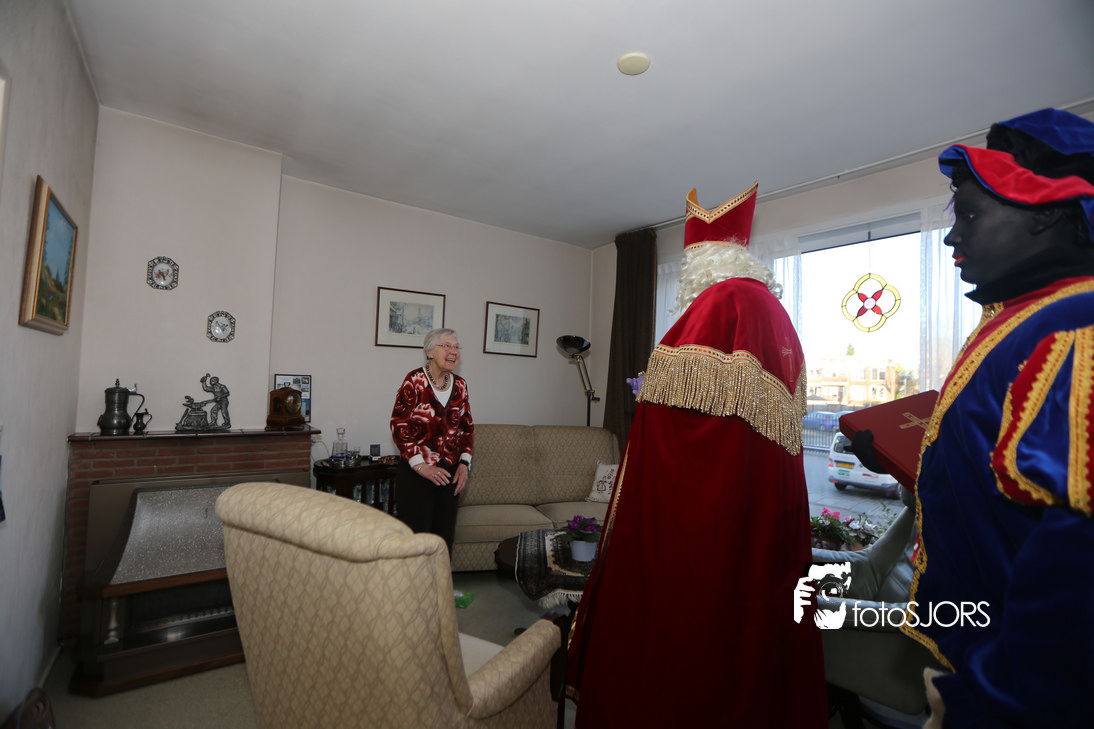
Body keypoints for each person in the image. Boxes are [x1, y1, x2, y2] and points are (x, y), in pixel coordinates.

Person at [566, 183, 827, 728]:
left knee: (685, 627)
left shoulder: (721, 303)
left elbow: (687, 427)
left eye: (689, 261)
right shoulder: (775, 313)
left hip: (709, 515)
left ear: (702, 259)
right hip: (762, 515)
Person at [896, 108, 1094, 728]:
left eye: (969, 214)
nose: (952, 238)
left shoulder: (1075, 327)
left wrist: (992, 698)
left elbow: (1078, 565)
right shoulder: (1029, 316)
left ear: (1046, 214)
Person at [390, 328, 474, 553]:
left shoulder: (460, 385)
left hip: (450, 475)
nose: (453, 351)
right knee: (416, 542)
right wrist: (421, 465)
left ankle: (441, 578)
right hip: (417, 474)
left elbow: (466, 427)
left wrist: (464, 464)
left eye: (456, 347)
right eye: (447, 346)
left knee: (443, 541)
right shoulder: (414, 380)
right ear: (429, 352)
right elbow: (399, 425)